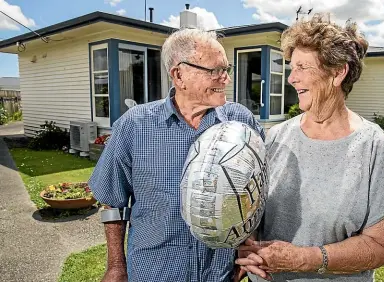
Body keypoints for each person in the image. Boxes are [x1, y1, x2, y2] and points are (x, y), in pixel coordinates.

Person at [236, 14, 384, 282]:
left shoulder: (375, 147)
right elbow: (252, 212)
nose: (292, 78)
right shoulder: (275, 137)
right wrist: (248, 243)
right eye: (292, 67)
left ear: (338, 72)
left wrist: (306, 259)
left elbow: (381, 245)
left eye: (303, 67)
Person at [88, 28, 265, 282]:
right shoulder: (134, 126)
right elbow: (113, 203)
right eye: (215, 71)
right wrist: (116, 266)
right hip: (154, 273)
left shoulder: (241, 121)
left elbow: (258, 192)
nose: (225, 79)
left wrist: (248, 244)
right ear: (179, 75)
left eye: (226, 69)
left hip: (219, 275)